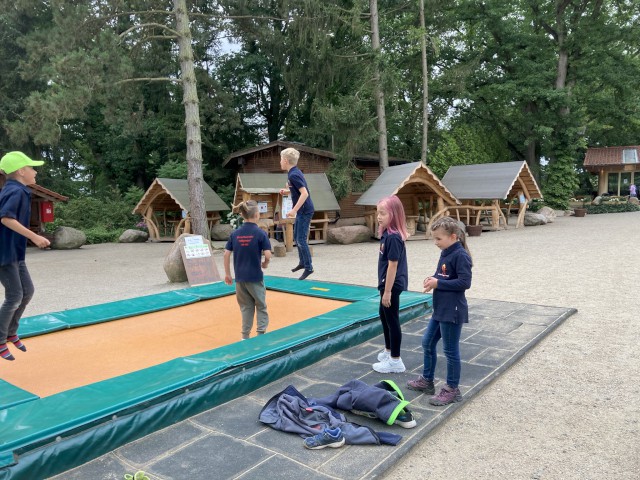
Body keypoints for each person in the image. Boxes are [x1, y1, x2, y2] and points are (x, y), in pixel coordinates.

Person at [407, 216, 472, 406]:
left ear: (453, 237)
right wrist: (432, 280)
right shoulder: (446, 251)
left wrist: (439, 283)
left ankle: (452, 389)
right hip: (441, 308)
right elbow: (442, 275)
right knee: (427, 342)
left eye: (438, 239)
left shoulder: (460, 255)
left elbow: (464, 282)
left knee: (450, 351)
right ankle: (427, 381)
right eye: (434, 238)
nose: (435, 242)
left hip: (452, 310)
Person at [0, 151, 51, 361]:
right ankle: (1, 338)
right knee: (14, 295)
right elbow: (5, 218)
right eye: (32, 168)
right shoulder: (15, 191)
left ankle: (11, 332)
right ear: (21, 171)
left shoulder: (18, 189)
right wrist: (35, 237)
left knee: (27, 291)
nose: (35, 171)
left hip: (14, 252)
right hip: (4, 253)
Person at [223, 200, 272, 340]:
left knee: (246, 307)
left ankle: (245, 336)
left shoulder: (235, 233)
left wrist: (227, 274)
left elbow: (226, 253)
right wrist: (265, 263)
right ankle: (261, 334)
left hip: (240, 278)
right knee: (261, 305)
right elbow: (268, 254)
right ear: (257, 215)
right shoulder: (260, 233)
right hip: (255, 277)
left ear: (243, 215)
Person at [372, 195, 409, 374]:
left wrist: (387, 291)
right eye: (377, 213)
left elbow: (393, 265)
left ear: (393, 215)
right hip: (386, 283)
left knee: (392, 319)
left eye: (383, 213)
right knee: (384, 315)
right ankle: (388, 350)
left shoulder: (393, 238)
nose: (379, 216)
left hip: (391, 285)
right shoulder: (387, 235)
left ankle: (396, 360)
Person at [279, 147, 314, 280]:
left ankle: (309, 267)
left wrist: (293, 210)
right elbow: (299, 190)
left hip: (305, 210)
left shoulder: (294, 174)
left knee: (301, 239)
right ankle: (302, 262)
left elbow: (305, 193)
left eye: (281, 159)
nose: (280, 162)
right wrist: (287, 192)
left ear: (286, 161)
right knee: (296, 237)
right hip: (301, 210)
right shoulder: (293, 173)